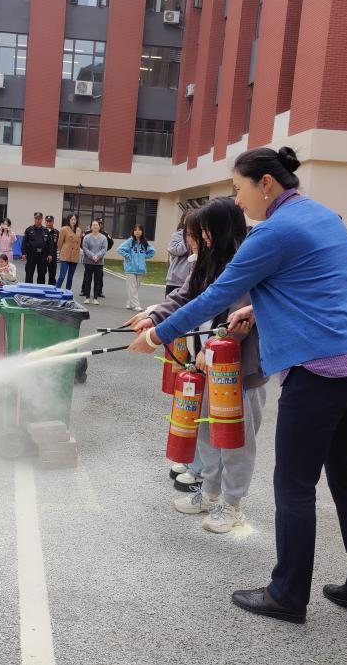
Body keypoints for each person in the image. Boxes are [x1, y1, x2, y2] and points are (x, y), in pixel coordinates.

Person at [129, 146, 347, 625]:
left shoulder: (272, 230)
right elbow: (318, 283)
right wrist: (256, 307)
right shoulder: (324, 216)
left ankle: (287, 594)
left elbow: (215, 295)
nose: (237, 200)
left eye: (238, 188)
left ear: (265, 183)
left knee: (294, 485)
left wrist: (157, 335)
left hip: (320, 372)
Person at [133, 199, 268, 533]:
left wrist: (211, 349)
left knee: (235, 438)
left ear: (223, 229)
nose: (201, 238)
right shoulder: (208, 260)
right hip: (204, 364)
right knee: (206, 430)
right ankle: (210, 492)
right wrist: (154, 316)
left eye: (206, 231)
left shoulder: (246, 261)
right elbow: (185, 295)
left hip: (239, 370)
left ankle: (232, 503)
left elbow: (239, 317)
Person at [117, 225, 156, 311]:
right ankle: (136, 305)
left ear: (142, 231)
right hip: (130, 268)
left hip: (140, 269)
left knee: (135, 288)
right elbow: (119, 249)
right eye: (135, 230)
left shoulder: (144, 242)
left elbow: (152, 251)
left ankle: (129, 303)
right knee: (132, 287)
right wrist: (129, 256)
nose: (137, 231)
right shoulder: (130, 241)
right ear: (133, 232)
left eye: (139, 230)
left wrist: (144, 257)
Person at [20, 212, 54, 284]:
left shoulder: (45, 230)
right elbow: (24, 242)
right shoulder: (29, 230)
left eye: (39, 218)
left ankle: (40, 289)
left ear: (42, 219)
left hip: (42, 255)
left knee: (42, 274)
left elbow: (50, 243)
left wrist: (50, 254)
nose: (37, 220)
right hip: (31, 254)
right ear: (34, 219)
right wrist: (23, 253)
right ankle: (28, 288)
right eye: (36, 218)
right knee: (29, 273)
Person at [165, 212, 192, 296]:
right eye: (187, 218)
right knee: (170, 304)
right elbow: (177, 251)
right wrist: (188, 236)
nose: (190, 221)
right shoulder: (177, 236)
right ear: (183, 220)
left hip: (192, 280)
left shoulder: (201, 236)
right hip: (175, 281)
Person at [80, 219, 107, 304]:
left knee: (97, 281)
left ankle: (95, 298)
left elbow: (104, 249)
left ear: (99, 227)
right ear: (91, 227)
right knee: (88, 280)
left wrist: (97, 256)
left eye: (96, 225)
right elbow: (85, 248)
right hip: (88, 262)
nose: (95, 226)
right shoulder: (87, 237)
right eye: (93, 225)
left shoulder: (103, 238)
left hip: (99, 262)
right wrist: (92, 256)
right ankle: (87, 297)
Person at [56, 215, 83, 290]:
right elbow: (59, 243)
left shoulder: (79, 230)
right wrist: (63, 251)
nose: (73, 221)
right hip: (65, 256)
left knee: (70, 277)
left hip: (75, 256)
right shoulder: (64, 229)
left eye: (75, 219)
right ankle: (56, 291)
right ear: (68, 220)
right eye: (72, 219)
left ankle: (67, 293)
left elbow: (79, 242)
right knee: (62, 276)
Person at [44, 215, 60, 285]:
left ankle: (51, 289)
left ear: (53, 222)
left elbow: (59, 244)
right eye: (47, 222)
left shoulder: (57, 232)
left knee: (52, 275)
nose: (48, 223)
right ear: (45, 222)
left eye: (50, 222)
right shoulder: (42, 231)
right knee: (42, 274)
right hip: (43, 256)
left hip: (53, 256)